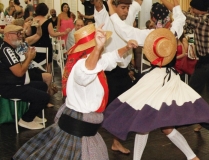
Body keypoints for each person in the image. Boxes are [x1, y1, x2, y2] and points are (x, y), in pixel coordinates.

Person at [102, 0, 209, 160]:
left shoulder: (148, 36)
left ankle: (191, 157)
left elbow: (124, 30)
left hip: (154, 81)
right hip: (171, 80)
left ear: (153, 18)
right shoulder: (173, 32)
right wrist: (175, 5)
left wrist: (109, 5)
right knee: (162, 127)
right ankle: (192, 157)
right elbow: (180, 18)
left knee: (145, 123)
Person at [12, 23, 138, 160]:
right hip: (79, 132)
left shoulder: (95, 62)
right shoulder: (81, 66)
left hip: (85, 129)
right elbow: (86, 72)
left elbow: (110, 58)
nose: (103, 50)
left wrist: (126, 47)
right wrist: (98, 48)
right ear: (91, 48)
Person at [163, 0, 209, 131]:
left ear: (198, 9)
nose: (191, 10)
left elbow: (175, 10)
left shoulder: (197, 20)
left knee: (193, 91)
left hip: (205, 62)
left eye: (193, 8)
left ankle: (201, 120)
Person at [94, 0, 142, 154]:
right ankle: (90, 141)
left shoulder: (127, 16)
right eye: (123, 8)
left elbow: (138, 2)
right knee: (104, 109)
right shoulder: (104, 17)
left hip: (122, 71)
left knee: (124, 107)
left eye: (127, 8)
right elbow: (97, 4)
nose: (126, 11)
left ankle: (115, 142)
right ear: (113, 7)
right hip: (108, 71)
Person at [0, 24, 50, 130]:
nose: (20, 36)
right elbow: (19, 72)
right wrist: (29, 58)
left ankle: (32, 114)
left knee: (42, 86)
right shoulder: (6, 50)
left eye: (20, 34)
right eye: (17, 34)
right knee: (44, 97)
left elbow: (18, 67)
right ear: (8, 35)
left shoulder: (9, 48)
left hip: (17, 83)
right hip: (11, 87)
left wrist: (27, 58)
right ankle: (26, 120)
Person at [30, 3, 70, 73]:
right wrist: (64, 33)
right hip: (45, 45)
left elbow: (30, 33)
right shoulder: (48, 21)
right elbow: (53, 34)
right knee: (48, 63)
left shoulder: (33, 20)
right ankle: (49, 78)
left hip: (34, 45)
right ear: (46, 11)